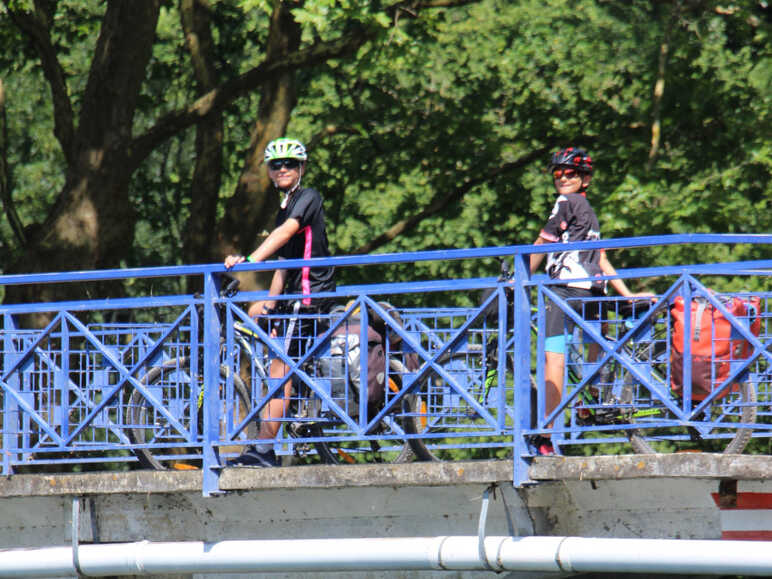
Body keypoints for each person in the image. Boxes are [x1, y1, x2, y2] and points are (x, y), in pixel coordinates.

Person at [529, 147, 652, 456]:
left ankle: (545, 434)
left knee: (553, 359)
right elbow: (602, 258)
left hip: (565, 292)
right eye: (558, 174)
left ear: (585, 178)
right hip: (595, 295)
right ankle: (589, 397)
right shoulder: (588, 211)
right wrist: (626, 294)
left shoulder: (566, 203)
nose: (562, 178)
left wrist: (514, 276)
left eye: (570, 173)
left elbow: (543, 242)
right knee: (596, 343)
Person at [224, 137, 336, 467]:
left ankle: (263, 451)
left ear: (301, 168)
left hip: (309, 298)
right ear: (270, 173)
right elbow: (283, 265)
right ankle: (293, 396)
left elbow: (286, 234)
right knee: (255, 311)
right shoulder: (284, 206)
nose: (283, 168)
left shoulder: (307, 199)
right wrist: (270, 306)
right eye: (276, 164)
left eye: (290, 163)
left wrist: (249, 259)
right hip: (292, 297)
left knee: (279, 370)